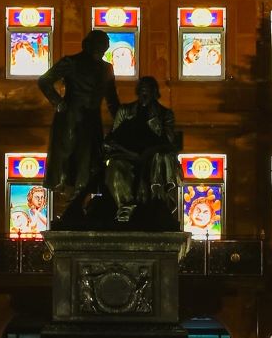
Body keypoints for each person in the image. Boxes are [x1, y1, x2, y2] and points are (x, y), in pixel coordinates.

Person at [37, 28, 119, 222]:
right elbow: (45, 80)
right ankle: (69, 206)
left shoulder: (106, 68)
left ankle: (78, 205)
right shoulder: (71, 62)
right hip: (70, 118)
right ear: (89, 44)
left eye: (105, 44)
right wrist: (58, 102)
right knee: (70, 161)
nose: (104, 47)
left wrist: (123, 121)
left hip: (92, 120)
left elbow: (112, 100)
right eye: (101, 43)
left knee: (90, 163)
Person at [104, 75, 181, 225]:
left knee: (161, 158)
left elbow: (169, 141)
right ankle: (125, 207)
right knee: (115, 166)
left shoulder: (164, 113)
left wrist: (150, 149)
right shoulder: (125, 111)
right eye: (142, 90)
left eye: (149, 91)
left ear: (155, 93)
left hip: (153, 155)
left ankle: (159, 202)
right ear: (138, 92)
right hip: (127, 155)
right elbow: (114, 136)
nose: (144, 94)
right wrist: (120, 148)